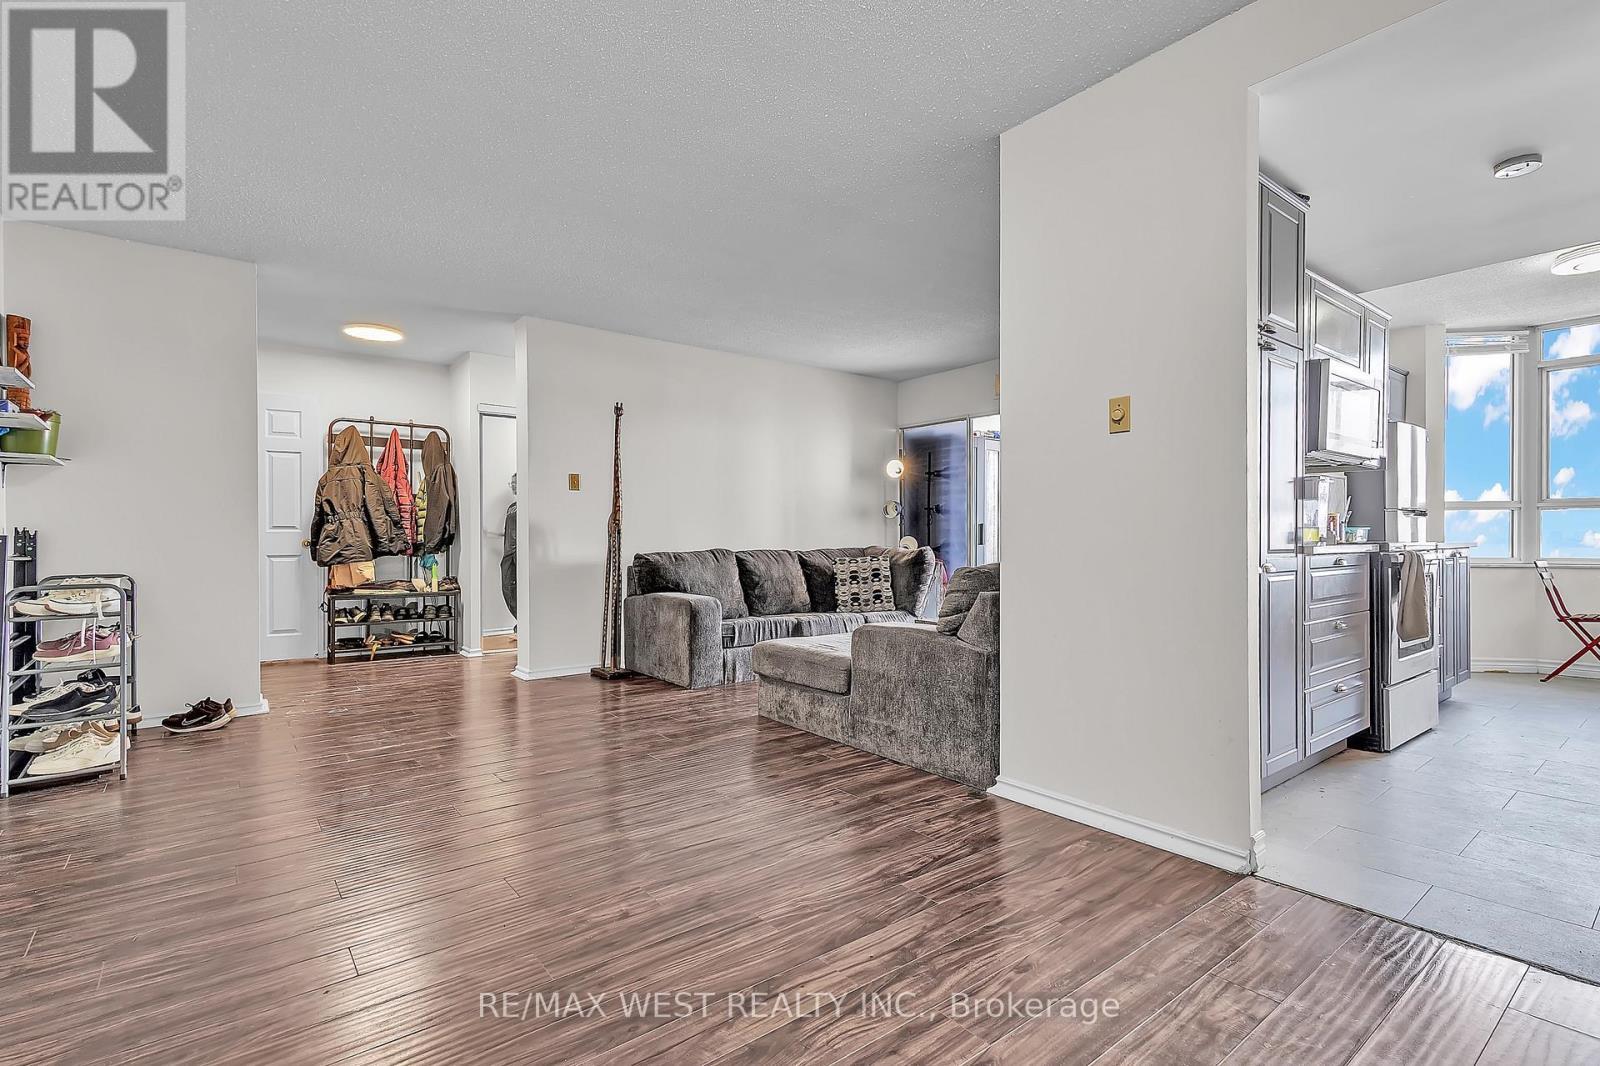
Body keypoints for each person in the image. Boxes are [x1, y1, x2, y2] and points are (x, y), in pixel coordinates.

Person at [500, 474, 517, 618]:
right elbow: (509, 531)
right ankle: (520, 618)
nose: (513, 486)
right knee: (507, 587)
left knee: (520, 588)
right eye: (511, 483)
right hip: (508, 554)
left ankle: (522, 622)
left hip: (519, 553)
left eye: (515, 483)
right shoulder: (511, 507)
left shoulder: (529, 504)